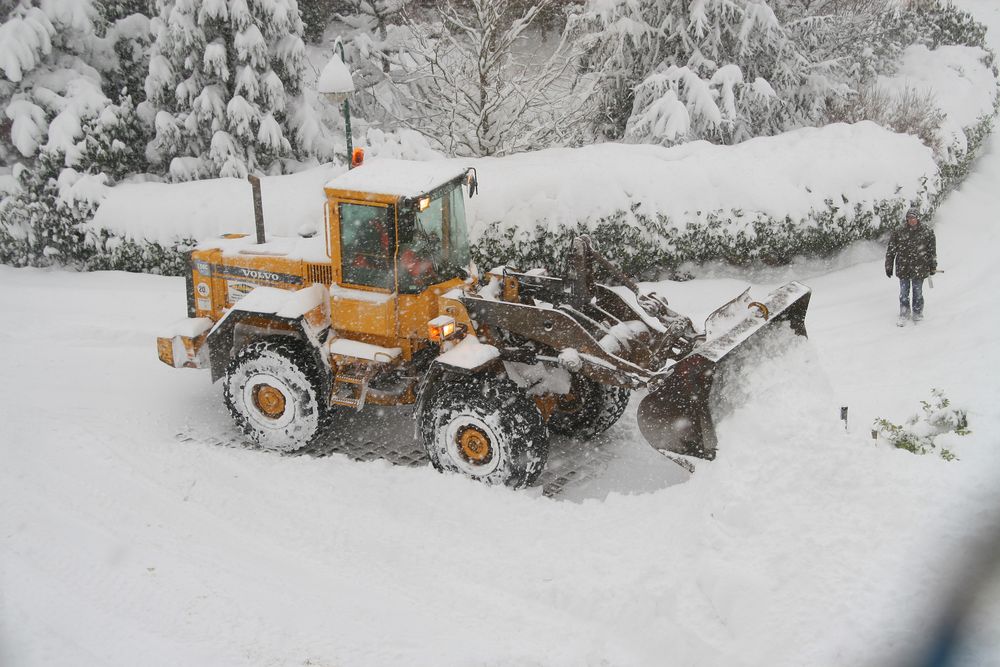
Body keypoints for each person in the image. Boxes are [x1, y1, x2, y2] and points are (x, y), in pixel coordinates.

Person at [885, 208, 937, 324]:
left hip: (920, 267)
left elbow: (932, 251)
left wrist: (932, 265)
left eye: (913, 218)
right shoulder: (899, 231)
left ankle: (917, 313)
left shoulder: (927, 231)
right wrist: (888, 266)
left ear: (918, 218)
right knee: (904, 293)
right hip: (903, 267)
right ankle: (904, 313)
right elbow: (891, 250)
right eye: (909, 218)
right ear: (906, 219)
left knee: (917, 293)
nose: (911, 220)